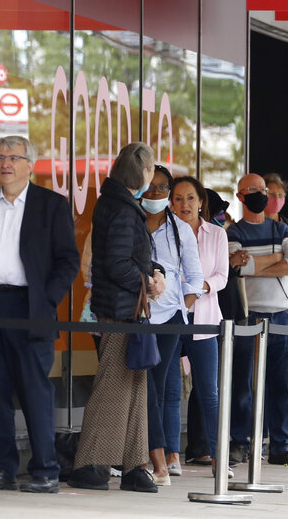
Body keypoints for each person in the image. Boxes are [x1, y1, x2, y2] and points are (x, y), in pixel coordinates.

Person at [0, 136, 80, 493]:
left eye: (14, 157)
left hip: (30, 308)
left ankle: (45, 470)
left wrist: (47, 299)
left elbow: (68, 260)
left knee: (34, 391)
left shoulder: (50, 205)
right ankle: (3, 469)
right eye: (0, 157)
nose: (5, 163)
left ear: (30, 166)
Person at [68, 142, 164, 493]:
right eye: (151, 169)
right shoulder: (122, 209)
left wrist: (153, 271)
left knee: (135, 390)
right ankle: (90, 463)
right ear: (140, 172)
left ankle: (133, 464)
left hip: (127, 311)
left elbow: (131, 258)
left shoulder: (119, 204)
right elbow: (119, 264)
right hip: (120, 313)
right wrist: (148, 284)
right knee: (113, 389)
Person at [226, 173, 288, 466]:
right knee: (242, 383)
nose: (262, 195)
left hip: (282, 313)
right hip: (249, 314)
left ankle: (281, 444)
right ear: (240, 197)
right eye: (254, 191)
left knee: (283, 384)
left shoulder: (281, 228)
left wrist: (255, 264)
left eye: (264, 190)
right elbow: (236, 269)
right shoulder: (232, 233)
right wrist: (276, 261)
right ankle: (240, 442)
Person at [139, 166, 204, 485]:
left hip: (168, 319)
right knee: (141, 386)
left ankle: (158, 458)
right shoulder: (129, 222)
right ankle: (148, 457)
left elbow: (195, 278)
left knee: (156, 386)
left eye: (161, 188)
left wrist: (182, 308)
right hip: (132, 318)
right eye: (148, 187)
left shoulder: (180, 230)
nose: (153, 193)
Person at [169, 175, 230, 475]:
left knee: (208, 390)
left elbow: (222, 276)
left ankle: (219, 457)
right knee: (169, 390)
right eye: (178, 198)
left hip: (204, 317)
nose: (184, 204)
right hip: (170, 316)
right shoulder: (164, 232)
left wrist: (199, 288)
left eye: (190, 198)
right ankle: (170, 456)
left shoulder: (216, 234)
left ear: (201, 202)